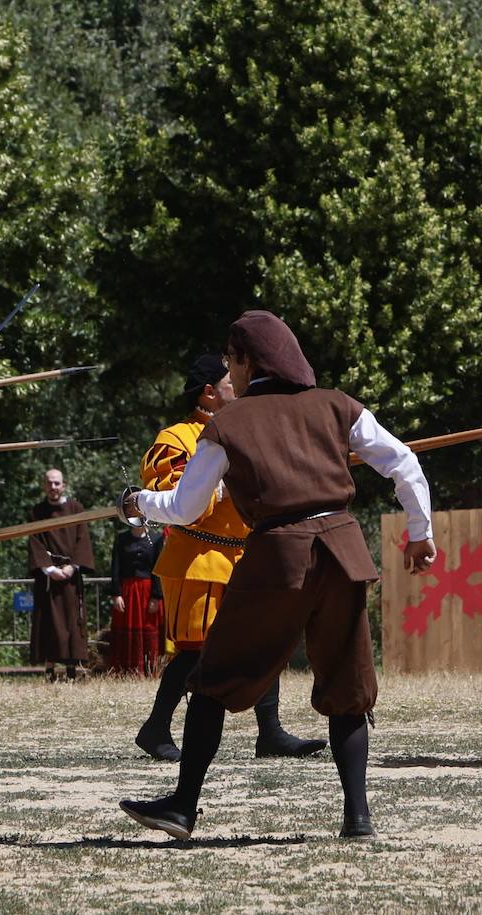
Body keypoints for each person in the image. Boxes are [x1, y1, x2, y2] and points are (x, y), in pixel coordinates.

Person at [118, 311, 436, 841]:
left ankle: (182, 806)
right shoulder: (339, 405)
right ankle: (357, 819)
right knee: (347, 683)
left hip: (277, 557)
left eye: (231, 362)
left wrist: (136, 503)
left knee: (215, 677)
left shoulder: (228, 425)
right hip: (343, 552)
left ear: (247, 361)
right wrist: (420, 532)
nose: (230, 376)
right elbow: (404, 462)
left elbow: (185, 505)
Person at [134, 354, 326, 761]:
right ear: (208, 392)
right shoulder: (174, 439)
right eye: (230, 381)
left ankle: (270, 733)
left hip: (246, 556)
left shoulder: (249, 431)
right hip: (197, 557)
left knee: (266, 641)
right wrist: (220, 477)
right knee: (197, 651)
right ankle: (156, 728)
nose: (239, 386)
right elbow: (178, 499)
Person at [27, 468, 95, 681]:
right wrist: (49, 568)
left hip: (70, 577)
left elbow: (82, 539)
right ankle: (49, 670)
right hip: (49, 578)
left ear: (63, 485)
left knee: (72, 623)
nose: (53, 487)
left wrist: (72, 566)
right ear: (44, 485)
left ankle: (72, 670)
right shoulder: (37, 512)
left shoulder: (76, 508)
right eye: (49, 483)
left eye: (57, 483)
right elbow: (34, 542)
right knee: (49, 623)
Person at [109, 523, 164, 675]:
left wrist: (156, 595)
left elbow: (159, 568)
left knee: (149, 629)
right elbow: (115, 567)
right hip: (127, 593)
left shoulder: (157, 538)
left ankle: (150, 669)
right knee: (125, 630)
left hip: (147, 592)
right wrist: (116, 593)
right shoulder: (121, 539)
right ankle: (125, 670)